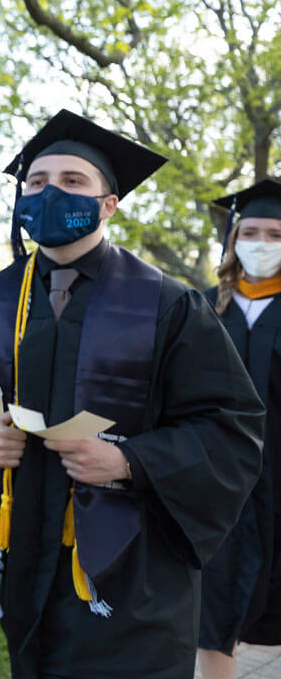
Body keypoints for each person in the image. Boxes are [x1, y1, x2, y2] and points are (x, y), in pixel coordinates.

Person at [0, 109, 264, 678]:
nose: (50, 194)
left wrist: (128, 459)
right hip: (21, 552)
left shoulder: (167, 305)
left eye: (73, 182)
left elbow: (229, 424)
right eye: (37, 183)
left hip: (137, 572)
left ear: (108, 204)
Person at [198, 178, 281, 678]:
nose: (262, 244)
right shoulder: (204, 306)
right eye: (251, 232)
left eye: (275, 233)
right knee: (216, 597)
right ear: (233, 239)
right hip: (219, 482)